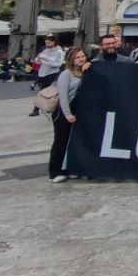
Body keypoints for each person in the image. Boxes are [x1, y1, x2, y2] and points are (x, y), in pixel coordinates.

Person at [49, 47, 89, 183]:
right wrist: (67, 115)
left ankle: (68, 168)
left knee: (72, 143)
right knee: (60, 141)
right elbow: (63, 96)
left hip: (78, 111)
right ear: (71, 59)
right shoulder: (66, 74)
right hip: (63, 112)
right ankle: (54, 172)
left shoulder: (84, 73)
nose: (81, 59)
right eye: (78, 57)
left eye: (83, 56)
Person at [29, 37, 67, 116]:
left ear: (53, 42)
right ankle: (39, 109)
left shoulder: (59, 52)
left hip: (52, 74)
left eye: (49, 43)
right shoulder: (45, 51)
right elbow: (37, 62)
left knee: (50, 92)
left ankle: (41, 109)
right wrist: (39, 58)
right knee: (42, 92)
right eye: (46, 43)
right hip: (42, 73)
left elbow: (58, 64)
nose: (47, 44)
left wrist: (48, 60)